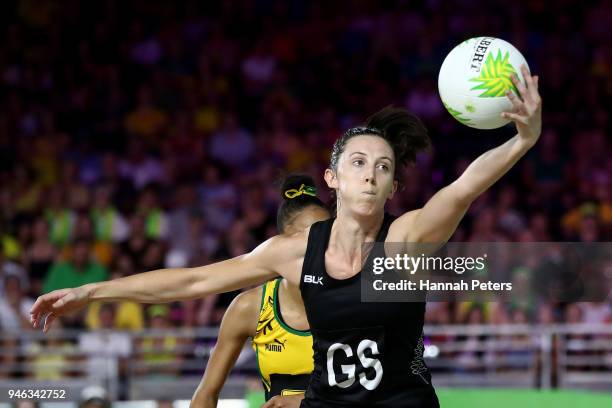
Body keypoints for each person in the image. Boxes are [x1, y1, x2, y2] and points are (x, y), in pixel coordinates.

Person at [31, 67, 542, 407]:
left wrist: (523, 138)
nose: (370, 174)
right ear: (333, 178)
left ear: (392, 186)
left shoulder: (406, 238)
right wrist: (91, 291)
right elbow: (190, 282)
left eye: (383, 167)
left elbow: (465, 187)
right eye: (358, 163)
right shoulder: (293, 253)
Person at [190, 174, 330, 408]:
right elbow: (205, 394)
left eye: (327, 235)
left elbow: (398, 383)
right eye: (306, 237)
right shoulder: (250, 307)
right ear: (279, 244)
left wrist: (305, 402)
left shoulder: (355, 296)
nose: (319, 246)